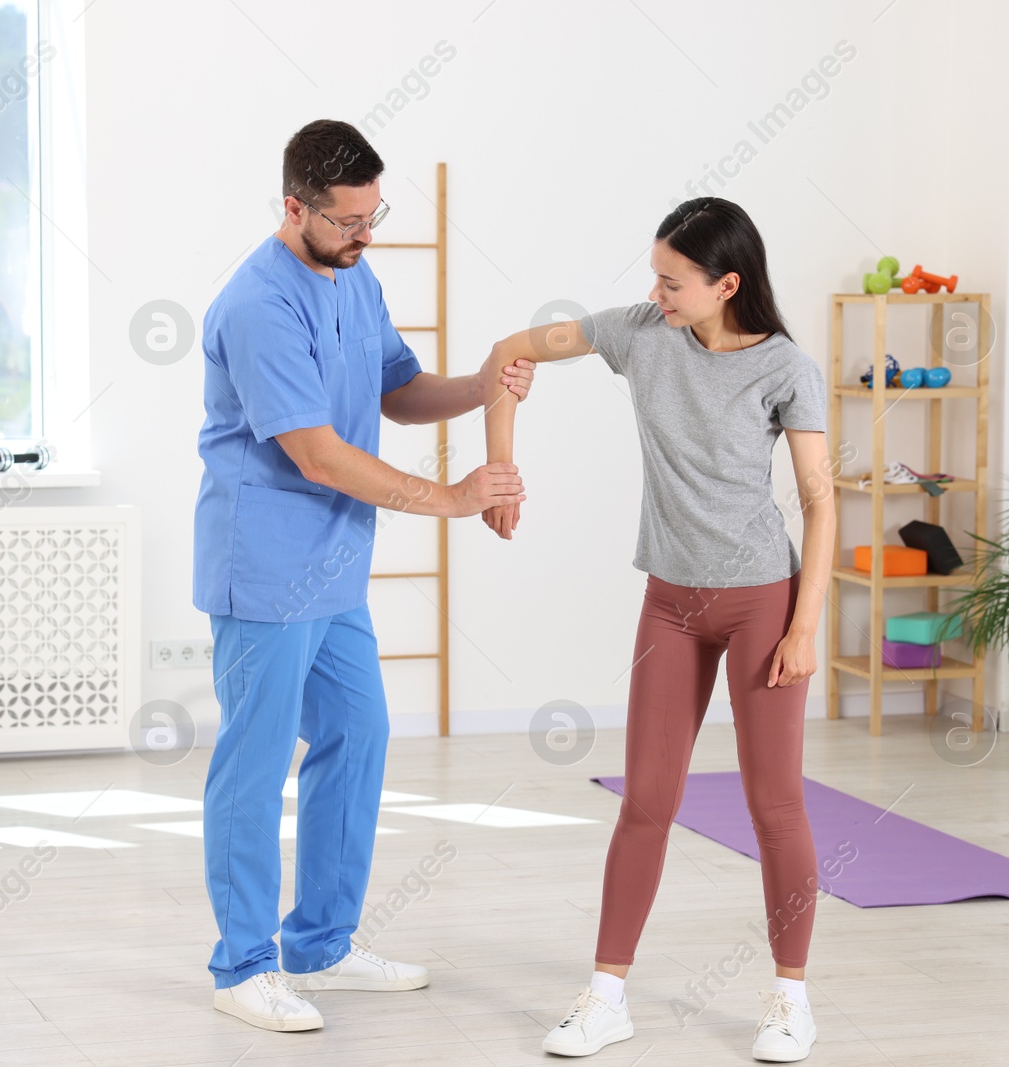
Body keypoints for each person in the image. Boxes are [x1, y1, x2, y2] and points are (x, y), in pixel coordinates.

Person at [192, 119, 536, 1033]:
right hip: (264, 564)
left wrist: (482, 382)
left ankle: (322, 945)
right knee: (255, 764)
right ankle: (243, 965)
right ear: (294, 207)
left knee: (360, 735)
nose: (366, 234)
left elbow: (396, 388)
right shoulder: (260, 304)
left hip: (334, 568)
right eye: (348, 220)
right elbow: (316, 454)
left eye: (375, 215)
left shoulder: (355, 274)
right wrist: (455, 498)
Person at [478, 198, 834, 1062]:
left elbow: (822, 500)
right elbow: (507, 351)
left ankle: (790, 1000)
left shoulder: (787, 368)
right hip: (670, 602)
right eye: (655, 275)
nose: (656, 291)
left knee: (775, 803)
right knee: (647, 801)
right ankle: (605, 999)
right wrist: (502, 468)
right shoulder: (641, 334)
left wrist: (804, 626)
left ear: (727, 285)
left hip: (761, 601)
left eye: (673, 281)